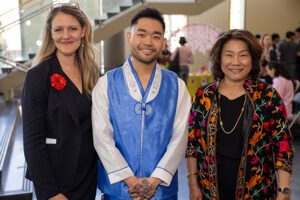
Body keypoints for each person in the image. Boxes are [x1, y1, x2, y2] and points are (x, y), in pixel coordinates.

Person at [92, 7, 191, 200]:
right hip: (118, 192)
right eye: (142, 34)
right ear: (129, 37)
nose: (148, 42)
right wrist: (131, 181)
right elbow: (101, 137)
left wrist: (153, 182)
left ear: (163, 43)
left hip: (162, 191)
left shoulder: (177, 86)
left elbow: (180, 138)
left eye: (155, 37)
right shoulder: (106, 83)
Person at [186, 29, 294, 200]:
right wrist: (192, 185)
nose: (236, 62)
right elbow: (192, 144)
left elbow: (283, 146)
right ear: (219, 58)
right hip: (210, 191)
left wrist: (284, 190)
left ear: (252, 58)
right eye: (229, 55)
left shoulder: (268, 97)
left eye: (243, 55)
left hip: (258, 191)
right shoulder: (203, 96)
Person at [22, 3, 99, 200]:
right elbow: (32, 143)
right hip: (55, 182)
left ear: (83, 31)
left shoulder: (92, 73)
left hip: (87, 179)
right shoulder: (38, 76)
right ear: (51, 33)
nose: (66, 35)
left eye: (72, 28)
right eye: (58, 29)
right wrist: (51, 193)